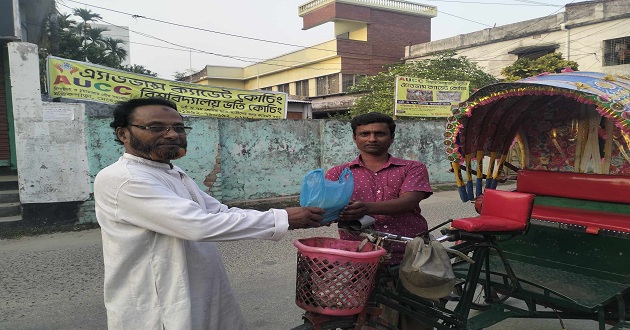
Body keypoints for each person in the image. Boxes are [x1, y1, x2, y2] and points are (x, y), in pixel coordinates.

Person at [94, 97, 324, 329]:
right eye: (156, 128)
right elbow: (199, 225)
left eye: (179, 128)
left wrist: (295, 218)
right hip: (159, 301)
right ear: (123, 134)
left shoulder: (171, 172)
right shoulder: (124, 178)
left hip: (196, 289)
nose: (172, 135)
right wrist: (283, 217)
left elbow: (219, 212)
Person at [325, 112, 433, 329]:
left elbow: (409, 201)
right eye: (364, 134)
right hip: (361, 256)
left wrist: (365, 208)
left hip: (409, 253)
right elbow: (326, 207)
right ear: (355, 138)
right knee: (365, 316)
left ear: (391, 138)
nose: (372, 138)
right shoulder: (338, 173)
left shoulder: (412, 168)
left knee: (417, 317)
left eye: (379, 133)